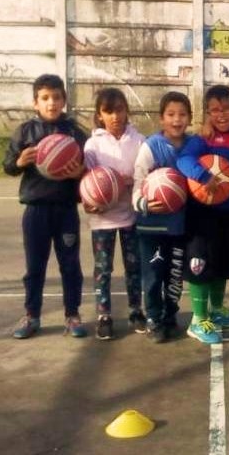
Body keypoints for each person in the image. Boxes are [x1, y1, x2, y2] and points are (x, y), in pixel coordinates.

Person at [3, 73, 88, 339]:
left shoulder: (74, 132)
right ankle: (32, 315)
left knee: (70, 265)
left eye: (56, 97)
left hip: (66, 209)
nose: (51, 103)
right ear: (35, 103)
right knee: (35, 267)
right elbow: (8, 166)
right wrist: (19, 161)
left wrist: (80, 173)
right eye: (45, 98)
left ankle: (72, 315)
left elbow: (89, 170)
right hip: (36, 210)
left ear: (64, 100)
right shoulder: (25, 132)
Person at [176, 85, 229, 345]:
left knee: (224, 264)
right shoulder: (202, 139)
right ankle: (198, 319)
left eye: (226, 109)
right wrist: (203, 176)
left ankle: (216, 309)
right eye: (215, 110)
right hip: (204, 214)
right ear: (207, 113)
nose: (221, 114)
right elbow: (183, 160)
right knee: (201, 265)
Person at [82, 88, 146, 340]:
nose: (115, 116)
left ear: (126, 110)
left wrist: (130, 181)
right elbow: (88, 181)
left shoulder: (138, 140)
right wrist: (91, 200)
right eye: (108, 111)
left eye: (119, 110)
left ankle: (136, 311)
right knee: (103, 269)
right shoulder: (93, 145)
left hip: (131, 215)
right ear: (100, 115)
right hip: (103, 218)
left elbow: (145, 174)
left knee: (134, 267)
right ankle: (104, 315)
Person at [131, 91, 191, 343]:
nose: (177, 120)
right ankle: (154, 319)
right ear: (161, 118)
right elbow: (137, 184)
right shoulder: (151, 146)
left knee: (174, 276)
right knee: (153, 276)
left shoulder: (193, 145)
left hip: (179, 226)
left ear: (190, 118)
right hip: (152, 227)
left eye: (182, 114)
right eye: (171, 114)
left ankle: (170, 316)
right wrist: (144, 203)